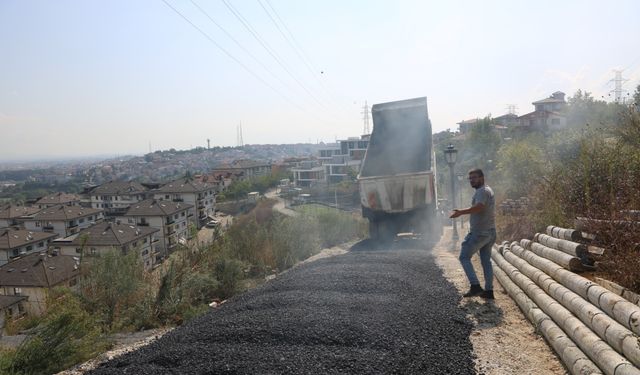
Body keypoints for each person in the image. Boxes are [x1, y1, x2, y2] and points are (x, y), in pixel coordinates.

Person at [449, 168, 496, 299]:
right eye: (470, 178)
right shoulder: (487, 189)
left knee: (464, 257)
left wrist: (460, 212)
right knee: (486, 261)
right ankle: (489, 291)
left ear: (482, 177)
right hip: (490, 232)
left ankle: (475, 286)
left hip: (480, 233)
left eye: (474, 178)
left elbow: (479, 207)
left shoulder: (482, 191)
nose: (471, 180)